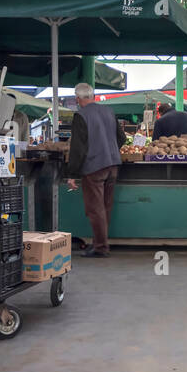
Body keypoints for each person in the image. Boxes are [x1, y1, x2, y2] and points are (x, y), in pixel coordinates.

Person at [65, 83, 122, 257]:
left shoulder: (80, 116)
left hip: (94, 168)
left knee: (95, 209)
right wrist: (109, 150)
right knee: (105, 206)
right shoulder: (109, 112)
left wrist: (72, 174)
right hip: (113, 165)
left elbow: (78, 148)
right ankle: (101, 242)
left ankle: (100, 247)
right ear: (93, 96)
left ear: (77, 98)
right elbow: (122, 138)